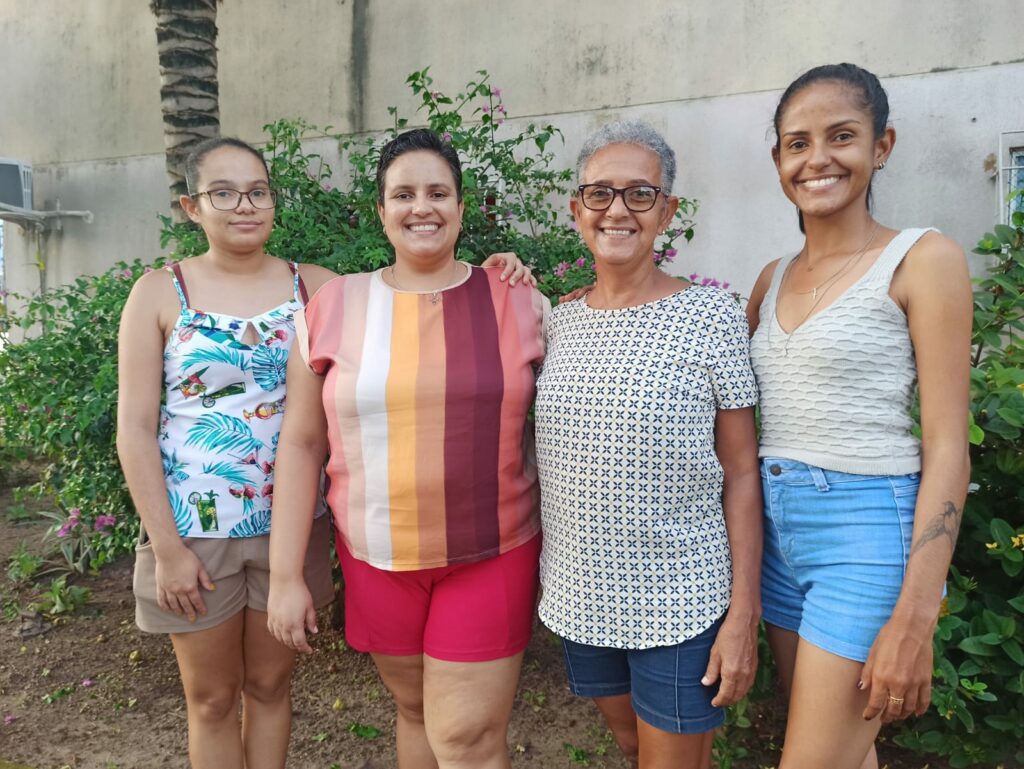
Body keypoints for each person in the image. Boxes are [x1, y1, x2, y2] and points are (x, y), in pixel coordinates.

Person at [117, 136, 532, 769]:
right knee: (212, 700)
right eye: (222, 193)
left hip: (300, 526)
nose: (243, 205)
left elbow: (418, 309)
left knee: (274, 688)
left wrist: (507, 269)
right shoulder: (167, 292)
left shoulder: (317, 288)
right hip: (201, 531)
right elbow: (141, 430)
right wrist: (166, 547)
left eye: (257, 190)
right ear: (192, 206)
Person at [267, 128, 547, 769]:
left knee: (468, 740)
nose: (422, 207)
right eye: (404, 194)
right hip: (375, 555)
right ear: (381, 210)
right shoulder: (333, 305)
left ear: (460, 205)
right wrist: (286, 576)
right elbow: (303, 444)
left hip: (490, 551)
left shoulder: (518, 298)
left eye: (437, 192)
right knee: (416, 711)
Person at [746, 63, 972, 769]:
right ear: (779, 160)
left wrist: (917, 611)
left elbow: (947, 446)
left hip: (867, 532)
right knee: (846, 752)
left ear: (882, 145)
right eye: (796, 143)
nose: (817, 158)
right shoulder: (771, 276)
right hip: (779, 536)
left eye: (840, 136)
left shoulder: (921, 259)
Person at [534, 120, 763, 769]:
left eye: (639, 193)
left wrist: (742, 613)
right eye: (600, 193)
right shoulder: (559, 319)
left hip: (683, 599)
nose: (617, 209)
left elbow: (742, 473)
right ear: (576, 208)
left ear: (667, 211)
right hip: (582, 595)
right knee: (636, 746)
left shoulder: (712, 316)